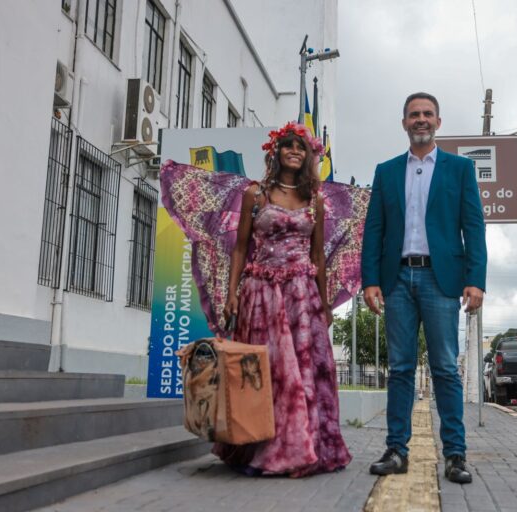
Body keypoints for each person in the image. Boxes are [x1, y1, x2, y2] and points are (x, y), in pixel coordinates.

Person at [162, 122, 357, 477]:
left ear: (309, 155)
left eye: (302, 148)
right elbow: (239, 248)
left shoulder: (316, 201)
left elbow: (318, 257)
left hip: (302, 295)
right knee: (266, 372)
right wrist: (232, 293)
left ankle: (304, 447)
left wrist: (326, 305)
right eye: (288, 147)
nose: (295, 153)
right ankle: (260, 447)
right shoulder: (256, 194)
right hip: (261, 292)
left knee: (305, 371)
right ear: (276, 153)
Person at [361, 92, 487, 484]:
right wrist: (370, 281)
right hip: (397, 279)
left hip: (441, 279)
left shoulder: (459, 169)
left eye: (427, 114)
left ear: (438, 121)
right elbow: (374, 231)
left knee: (446, 369)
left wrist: (475, 280)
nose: (421, 120)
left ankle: (455, 455)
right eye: (414, 114)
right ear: (404, 123)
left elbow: (474, 227)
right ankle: (397, 450)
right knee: (399, 368)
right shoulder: (386, 171)